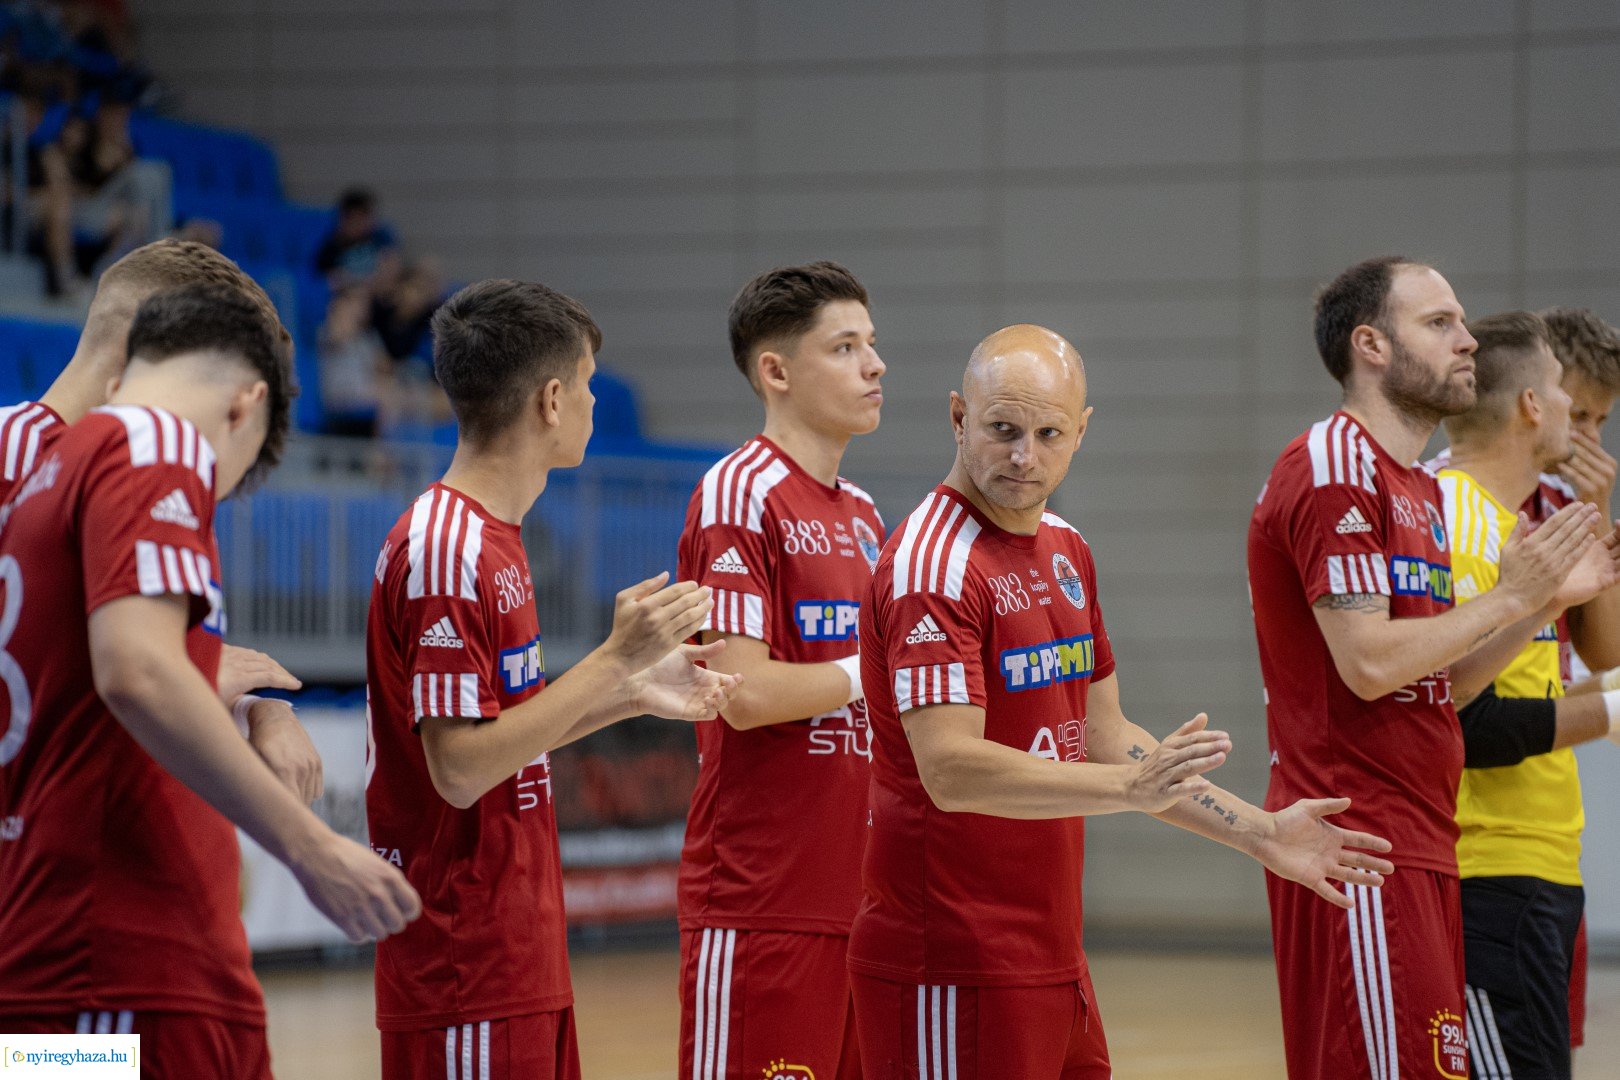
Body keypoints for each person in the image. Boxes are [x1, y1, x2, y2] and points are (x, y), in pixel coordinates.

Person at [850, 323, 1395, 1077]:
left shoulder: (1067, 548)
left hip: (1053, 956)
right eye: (1003, 429)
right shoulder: (932, 565)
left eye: (1049, 434)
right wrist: (1126, 790)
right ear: (957, 417)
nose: (1024, 456)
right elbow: (950, 770)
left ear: (1083, 432)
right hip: (950, 959)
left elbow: (1106, 736)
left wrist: (1261, 833)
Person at [0, 285, 421, 1076]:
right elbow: (137, 669)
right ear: (244, 405)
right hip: (130, 971)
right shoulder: (155, 442)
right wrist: (310, 848)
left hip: (61, 976)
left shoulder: (46, 473)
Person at [1248, 257, 1620, 1080]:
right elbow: (1372, 663)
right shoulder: (1336, 462)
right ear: (1371, 345)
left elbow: (1438, 688)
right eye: (1441, 323)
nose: (1467, 342)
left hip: (1424, 841)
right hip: (1359, 843)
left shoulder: (1413, 489)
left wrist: (1541, 605)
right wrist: (1513, 597)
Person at [365, 278, 742, 1080]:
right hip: (462, 960)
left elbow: (505, 739)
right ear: (551, 399)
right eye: (591, 386)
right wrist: (611, 658)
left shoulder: (491, 537)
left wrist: (630, 692)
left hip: (514, 947)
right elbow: (461, 769)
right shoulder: (447, 547)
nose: (596, 405)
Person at [0, 237, 320, 801]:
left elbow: (161, 668)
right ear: (152, 350)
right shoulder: (16, 454)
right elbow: (69, 676)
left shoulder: (156, 482)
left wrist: (257, 710)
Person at [675, 262, 884, 1080]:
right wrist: (873, 670)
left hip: (863, 902)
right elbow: (745, 693)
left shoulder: (865, 513)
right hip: (764, 904)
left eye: (872, 344)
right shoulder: (740, 492)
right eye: (845, 346)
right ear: (776, 370)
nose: (875, 365)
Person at [1430, 309, 1620, 1079]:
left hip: (1544, 853)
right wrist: (1610, 711)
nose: (1591, 441)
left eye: (1603, 423)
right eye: (1581, 414)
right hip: (1486, 857)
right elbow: (1464, 719)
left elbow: (1603, 650)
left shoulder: (1540, 511)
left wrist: (1595, 513)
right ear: (1534, 400)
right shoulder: (1455, 511)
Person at [314, 186, 399, 289]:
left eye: (365, 218)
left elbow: (392, 268)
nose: (359, 225)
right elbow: (327, 279)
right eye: (355, 219)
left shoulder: (381, 238)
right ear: (344, 220)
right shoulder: (331, 247)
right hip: (347, 298)